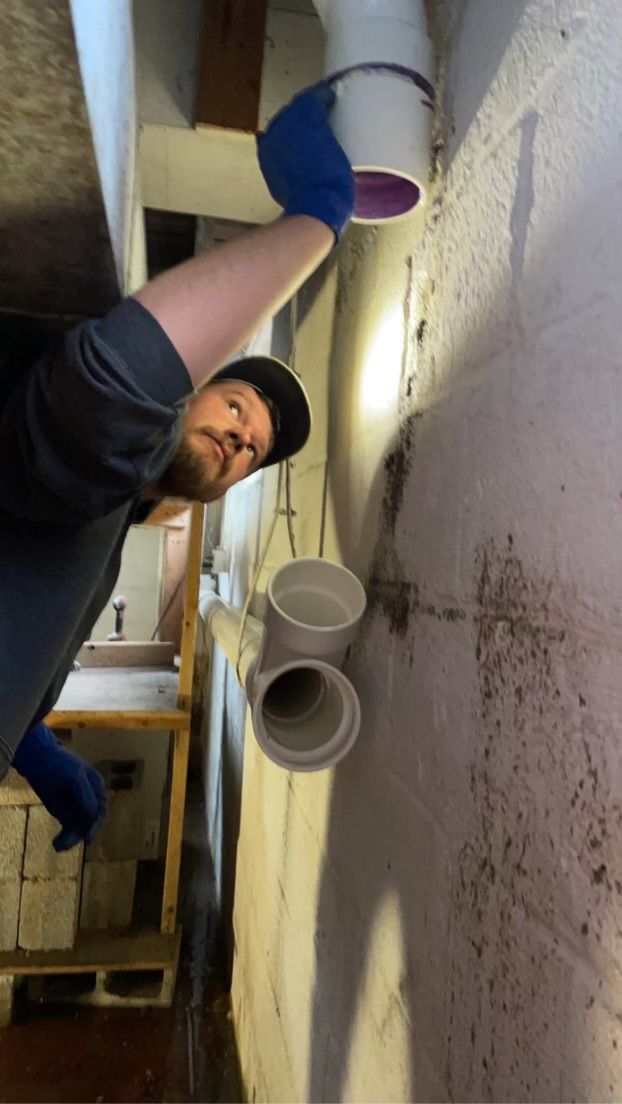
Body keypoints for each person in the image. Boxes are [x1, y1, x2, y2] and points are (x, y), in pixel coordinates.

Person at [1, 84, 355, 850]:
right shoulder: (97, 464)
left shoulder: (106, 522)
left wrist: (30, 740)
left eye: (253, 450)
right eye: (234, 408)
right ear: (185, 397)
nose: (241, 438)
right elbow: (107, 393)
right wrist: (317, 217)